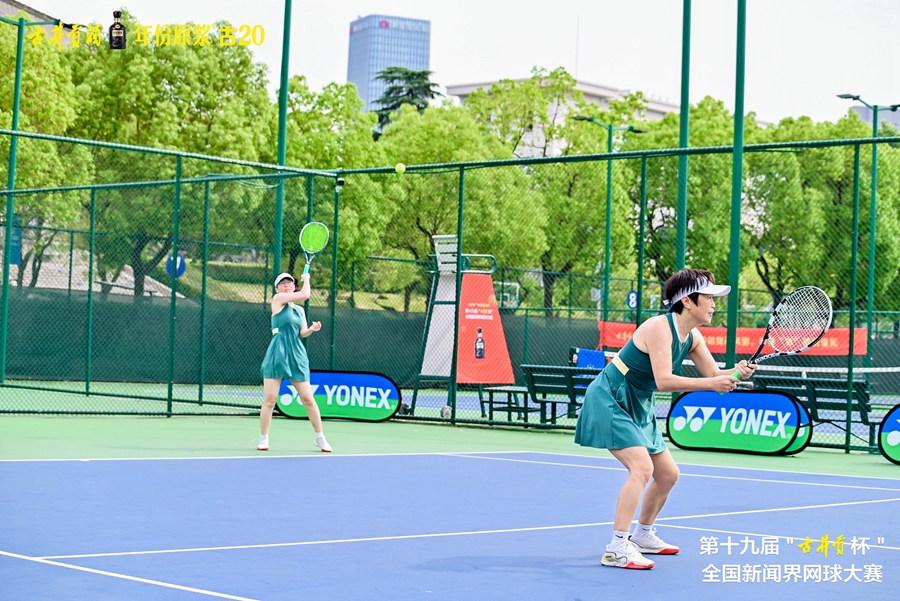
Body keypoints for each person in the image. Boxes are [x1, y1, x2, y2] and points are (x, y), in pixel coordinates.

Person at [575, 269, 756, 569]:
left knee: (668, 474)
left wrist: (737, 372)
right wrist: (712, 384)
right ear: (687, 301)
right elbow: (664, 380)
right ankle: (617, 547)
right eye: (708, 297)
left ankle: (643, 535)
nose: (714, 304)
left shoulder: (692, 336)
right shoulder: (659, 327)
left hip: (639, 401)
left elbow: (713, 374)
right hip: (611, 397)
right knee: (642, 468)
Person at [258, 272, 331, 453]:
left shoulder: (300, 310)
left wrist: (311, 329)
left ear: (293, 286)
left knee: (308, 399)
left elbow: (302, 333)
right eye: (282, 283)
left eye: (289, 282)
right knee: (270, 400)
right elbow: (305, 294)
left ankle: (320, 438)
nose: (286, 285)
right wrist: (307, 279)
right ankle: (264, 438)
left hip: (297, 355)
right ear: (277, 288)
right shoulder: (277, 300)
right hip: (277, 353)